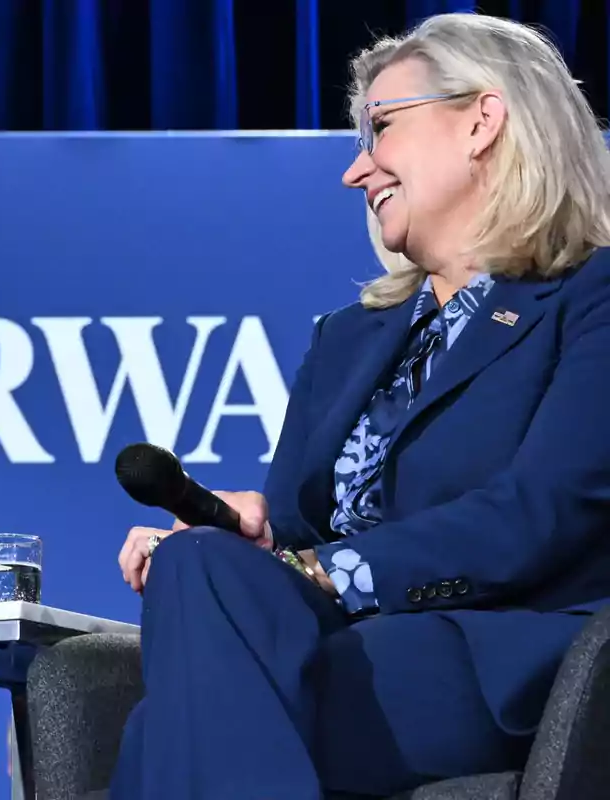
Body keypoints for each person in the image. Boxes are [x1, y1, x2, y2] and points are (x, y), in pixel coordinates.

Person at [111, 12, 610, 799]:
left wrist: (324, 570)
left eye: (380, 129)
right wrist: (261, 534)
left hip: (496, 661)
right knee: (198, 560)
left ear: (482, 119)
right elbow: (298, 534)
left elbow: (535, 514)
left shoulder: (590, 300)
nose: (357, 170)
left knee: (156, 742)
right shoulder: (348, 337)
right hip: (344, 646)